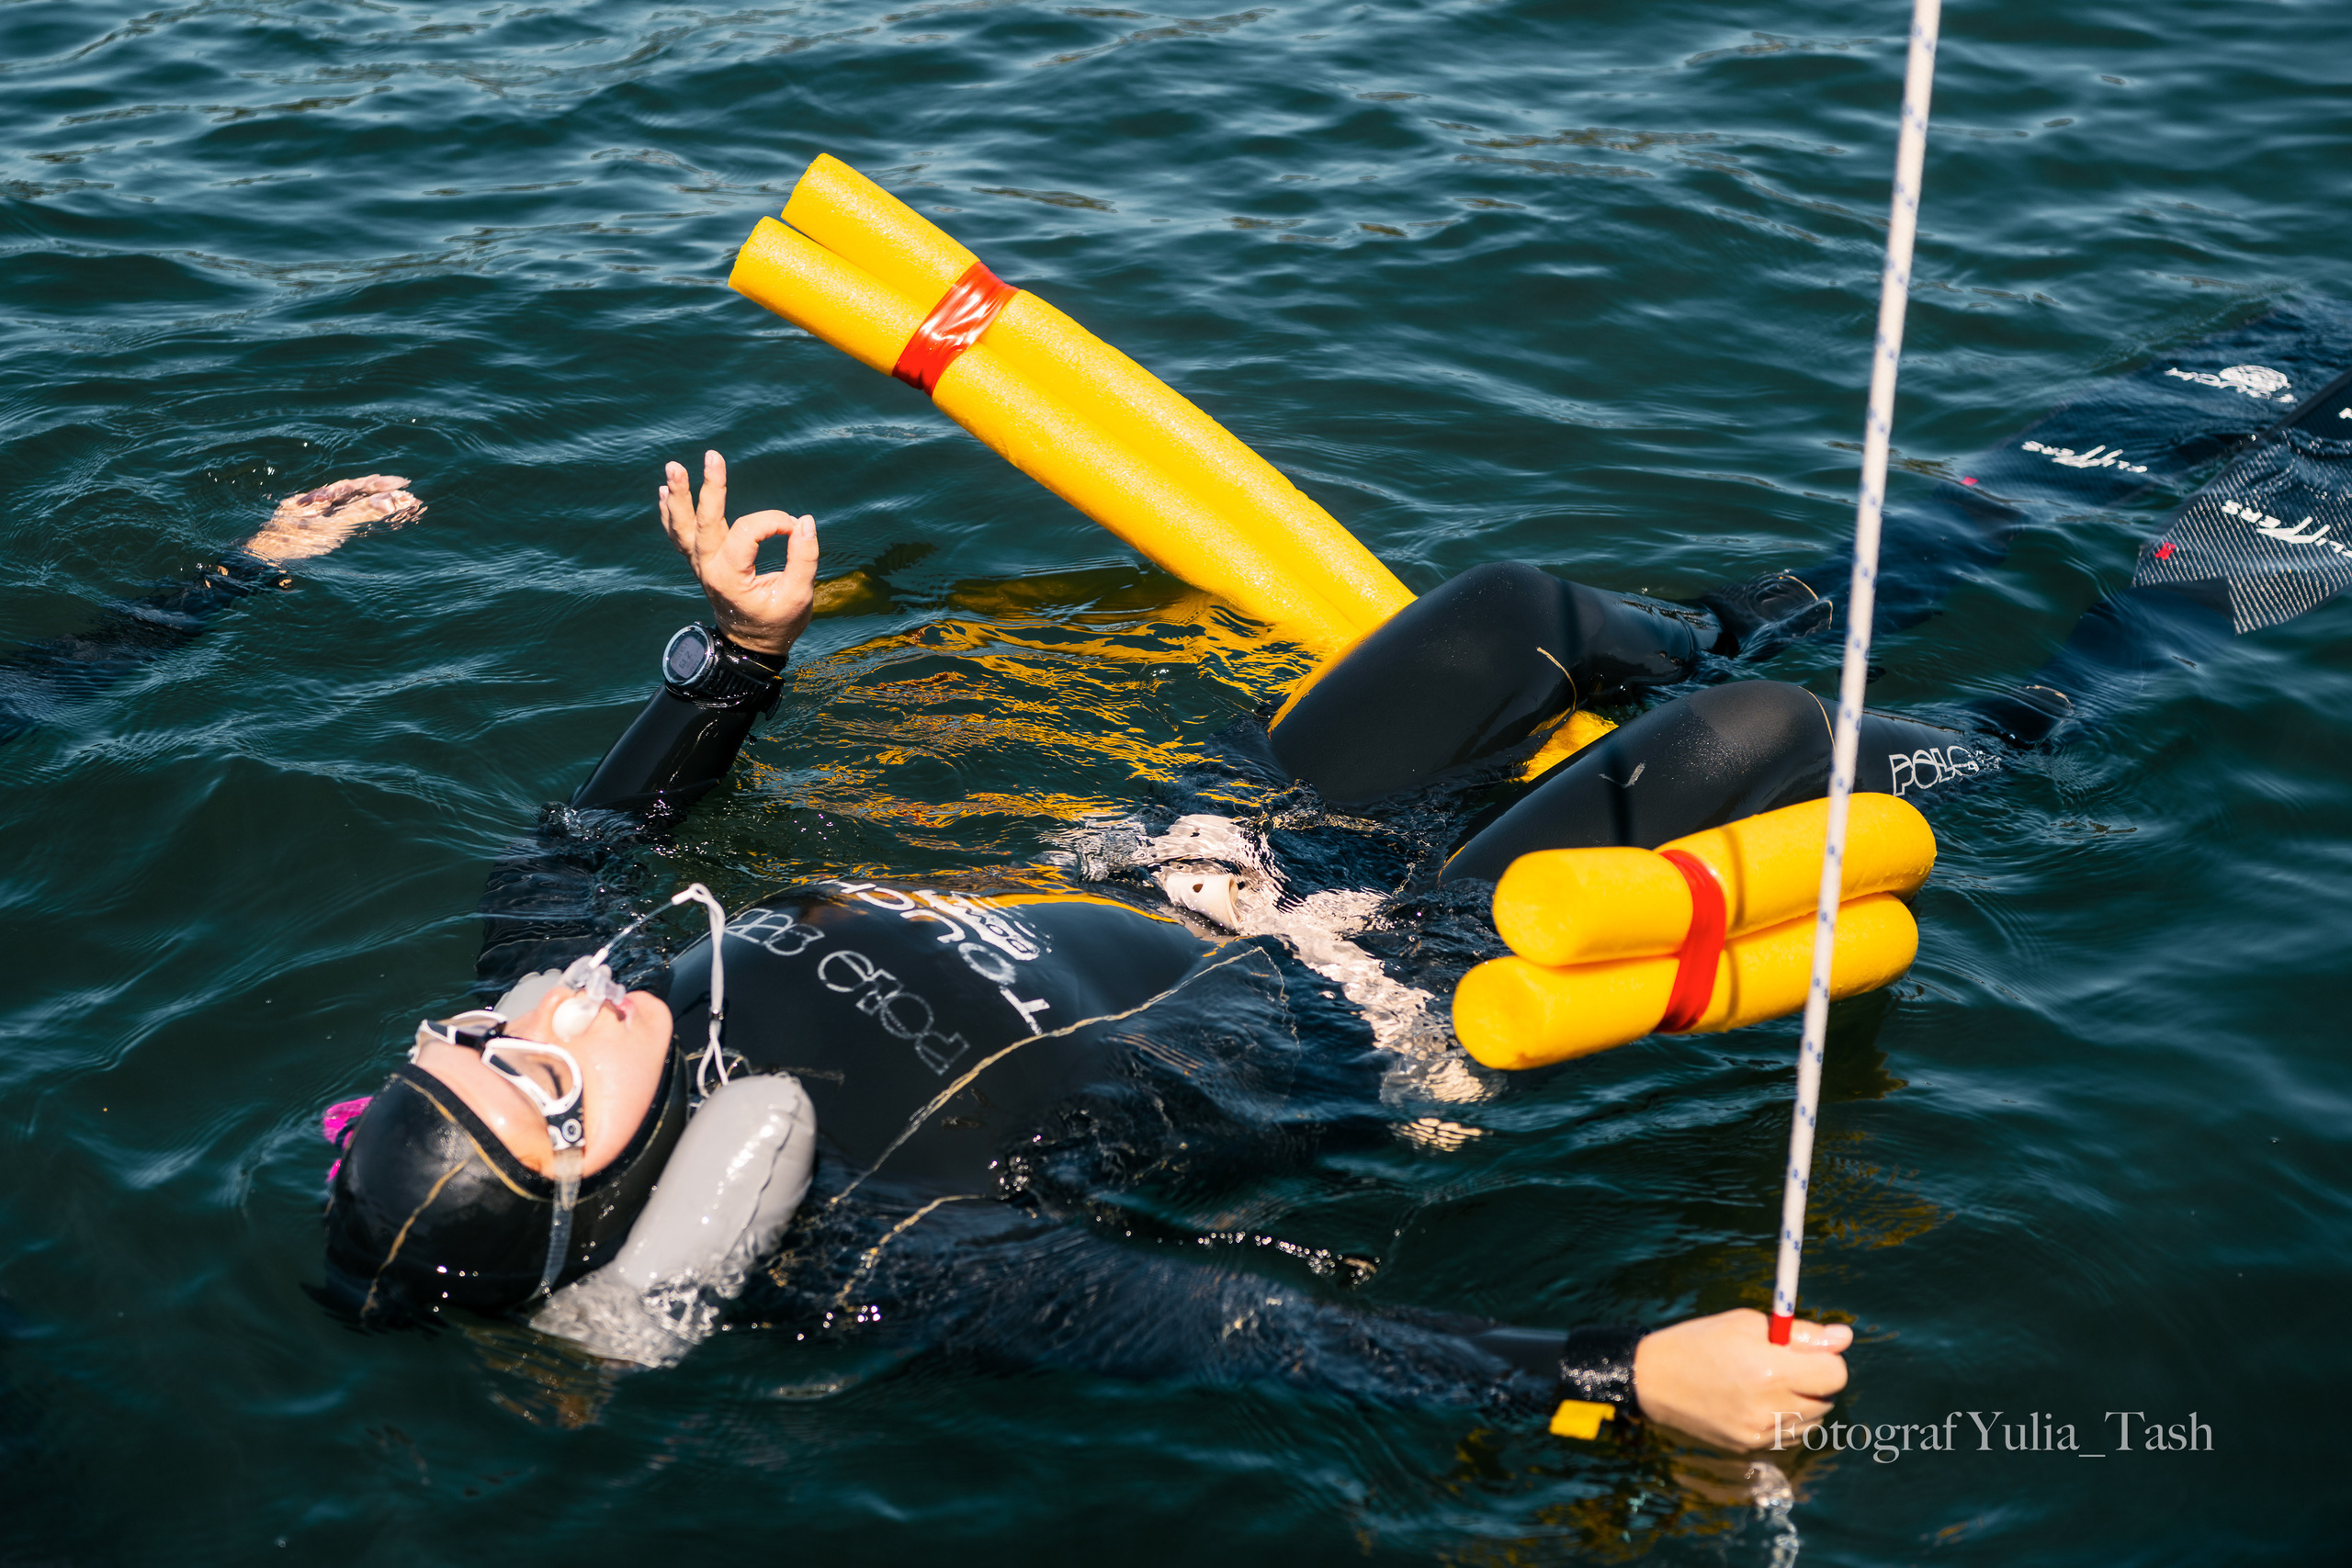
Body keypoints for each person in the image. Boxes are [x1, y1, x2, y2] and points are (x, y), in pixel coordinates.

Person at [316, 306, 2352, 1453]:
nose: (551, 1008)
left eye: (485, 1028)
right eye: (549, 1081)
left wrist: (735, 657)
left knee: (1510, 611)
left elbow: (582, 839)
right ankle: (2187, 612)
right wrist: (1616, 1386)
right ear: (613, 1177)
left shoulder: (577, 968)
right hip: (1383, 983)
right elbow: (1248, 1338)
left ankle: (2075, 459)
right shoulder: (891, 1251)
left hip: (1213, 850)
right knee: (1743, 757)